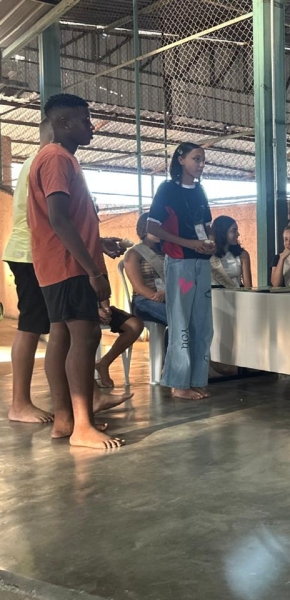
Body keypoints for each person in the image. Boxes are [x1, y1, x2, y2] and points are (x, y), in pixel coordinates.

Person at [27, 93, 128, 449]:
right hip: (69, 266)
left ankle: (66, 420)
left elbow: (68, 219)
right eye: (84, 121)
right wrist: (94, 272)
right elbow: (59, 219)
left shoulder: (54, 157)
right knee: (85, 338)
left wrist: (98, 242)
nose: (91, 127)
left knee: (62, 337)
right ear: (62, 123)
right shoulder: (57, 158)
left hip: (56, 264)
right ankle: (83, 426)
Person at [147, 142, 215, 400]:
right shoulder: (167, 190)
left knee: (203, 324)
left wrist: (209, 242)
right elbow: (153, 228)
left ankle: (196, 379)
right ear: (181, 159)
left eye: (203, 160)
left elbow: (206, 225)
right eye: (196, 159)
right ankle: (178, 383)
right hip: (179, 263)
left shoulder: (200, 191)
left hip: (201, 262)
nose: (201, 164)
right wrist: (189, 243)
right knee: (181, 323)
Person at [3, 119, 55, 423]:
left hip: (34, 252)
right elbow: (52, 215)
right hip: (30, 254)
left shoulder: (37, 160)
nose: (89, 127)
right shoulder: (46, 160)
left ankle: (79, 395)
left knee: (50, 325)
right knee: (30, 325)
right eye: (83, 121)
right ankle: (19, 404)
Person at [124, 212, 168, 325]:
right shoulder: (134, 253)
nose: (160, 231)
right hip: (144, 300)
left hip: (168, 296)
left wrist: (167, 294)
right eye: (156, 228)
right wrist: (158, 297)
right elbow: (139, 287)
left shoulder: (167, 251)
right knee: (176, 314)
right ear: (144, 229)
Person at [210, 215, 252, 288]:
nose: (238, 234)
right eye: (233, 230)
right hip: (213, 294)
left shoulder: (242, 255)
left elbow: (248, 287)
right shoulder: (209, 255)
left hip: (236, 294)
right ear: (222, 232)